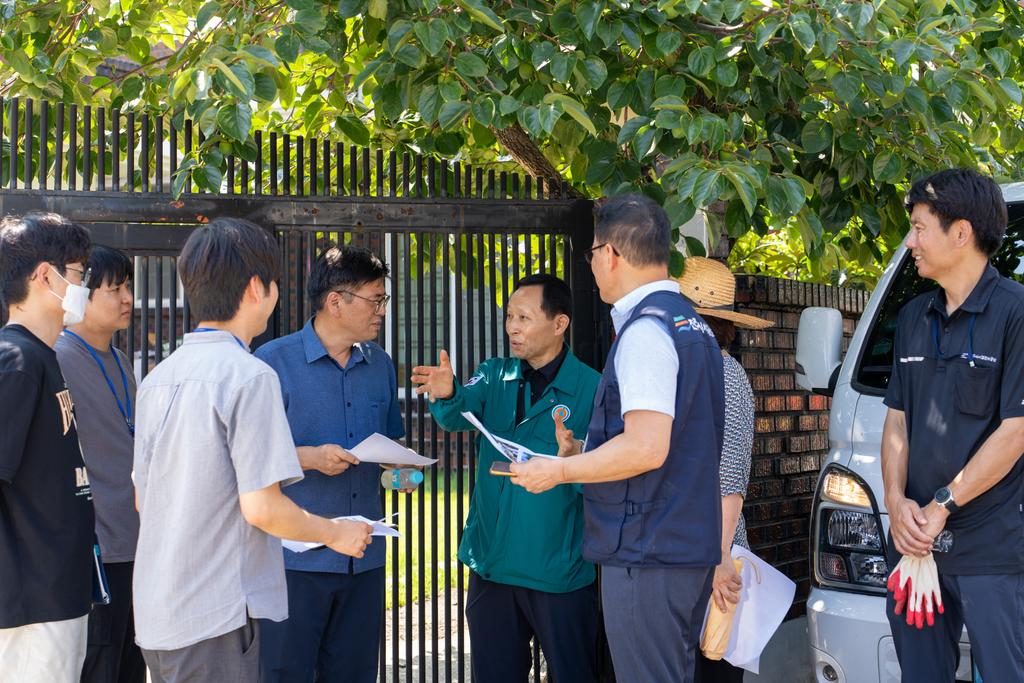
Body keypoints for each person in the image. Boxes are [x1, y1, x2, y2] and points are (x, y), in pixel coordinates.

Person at [132, 218, 374, 683]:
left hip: (158, 612)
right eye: (275, 281)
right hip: (217, 614)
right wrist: (334, 533)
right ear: (255, 289)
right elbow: (263, 507)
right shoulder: (250, 375)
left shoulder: (158, 377)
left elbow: (144, 498)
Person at [510, 195, 725, 683]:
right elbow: (676, 439)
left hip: (648, 551)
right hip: (682, 545)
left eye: (591, 254)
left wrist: (558, 470)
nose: (592, 266)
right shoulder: (692, 324)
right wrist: (584, 453)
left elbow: (648, 447)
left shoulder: (647, 331)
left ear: (609, 254)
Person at [411, 273, 602, 683]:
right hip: (492, 570)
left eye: (524, 317)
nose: (512, 327)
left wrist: (577, 458)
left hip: (559, 576)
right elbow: (458, 413)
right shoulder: (495, 374)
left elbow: (614, 472)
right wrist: (446, 393)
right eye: (509, 316)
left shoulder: (593, 389)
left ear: (559, 323)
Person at [881, 168, 1024, 682]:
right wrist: (896, 501)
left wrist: (941, 506)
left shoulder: (1016, 313)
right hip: (914, 545)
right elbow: (897, 420)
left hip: (992, 550)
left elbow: (1016, 432)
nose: (911, 242)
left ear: (960, 233)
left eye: (920, 227)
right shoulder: (914, 317)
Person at [255, 245, 408, 683]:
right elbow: (246, 461)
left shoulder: (379, 365)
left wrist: (401, 473)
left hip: (364, 559)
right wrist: (309, 459)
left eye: (383, 299)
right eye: (374, 299)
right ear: (336, 301)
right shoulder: (271, 364)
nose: (381, 310)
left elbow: (388, 445)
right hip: (294, 563)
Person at [0, 212, 95, 682]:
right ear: (44, 275)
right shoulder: (15, 360)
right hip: (28, 607)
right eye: (79, 274)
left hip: (56, 594)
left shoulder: (43, 357)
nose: (85, 287)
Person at [676, 257, 773, 683]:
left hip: (712, 554)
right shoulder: (687, 370)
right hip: (684, 551)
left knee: (712, 666)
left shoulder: (726, 375)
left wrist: (719, 560)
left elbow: (730, 480)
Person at [55, 245, 146, 683]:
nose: (128, 298)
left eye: (129, 286)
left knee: (132, 666)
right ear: (82, 295)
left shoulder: (121, 359)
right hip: (94, 553)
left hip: (135, 544)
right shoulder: (58, 358)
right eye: (115, 289)